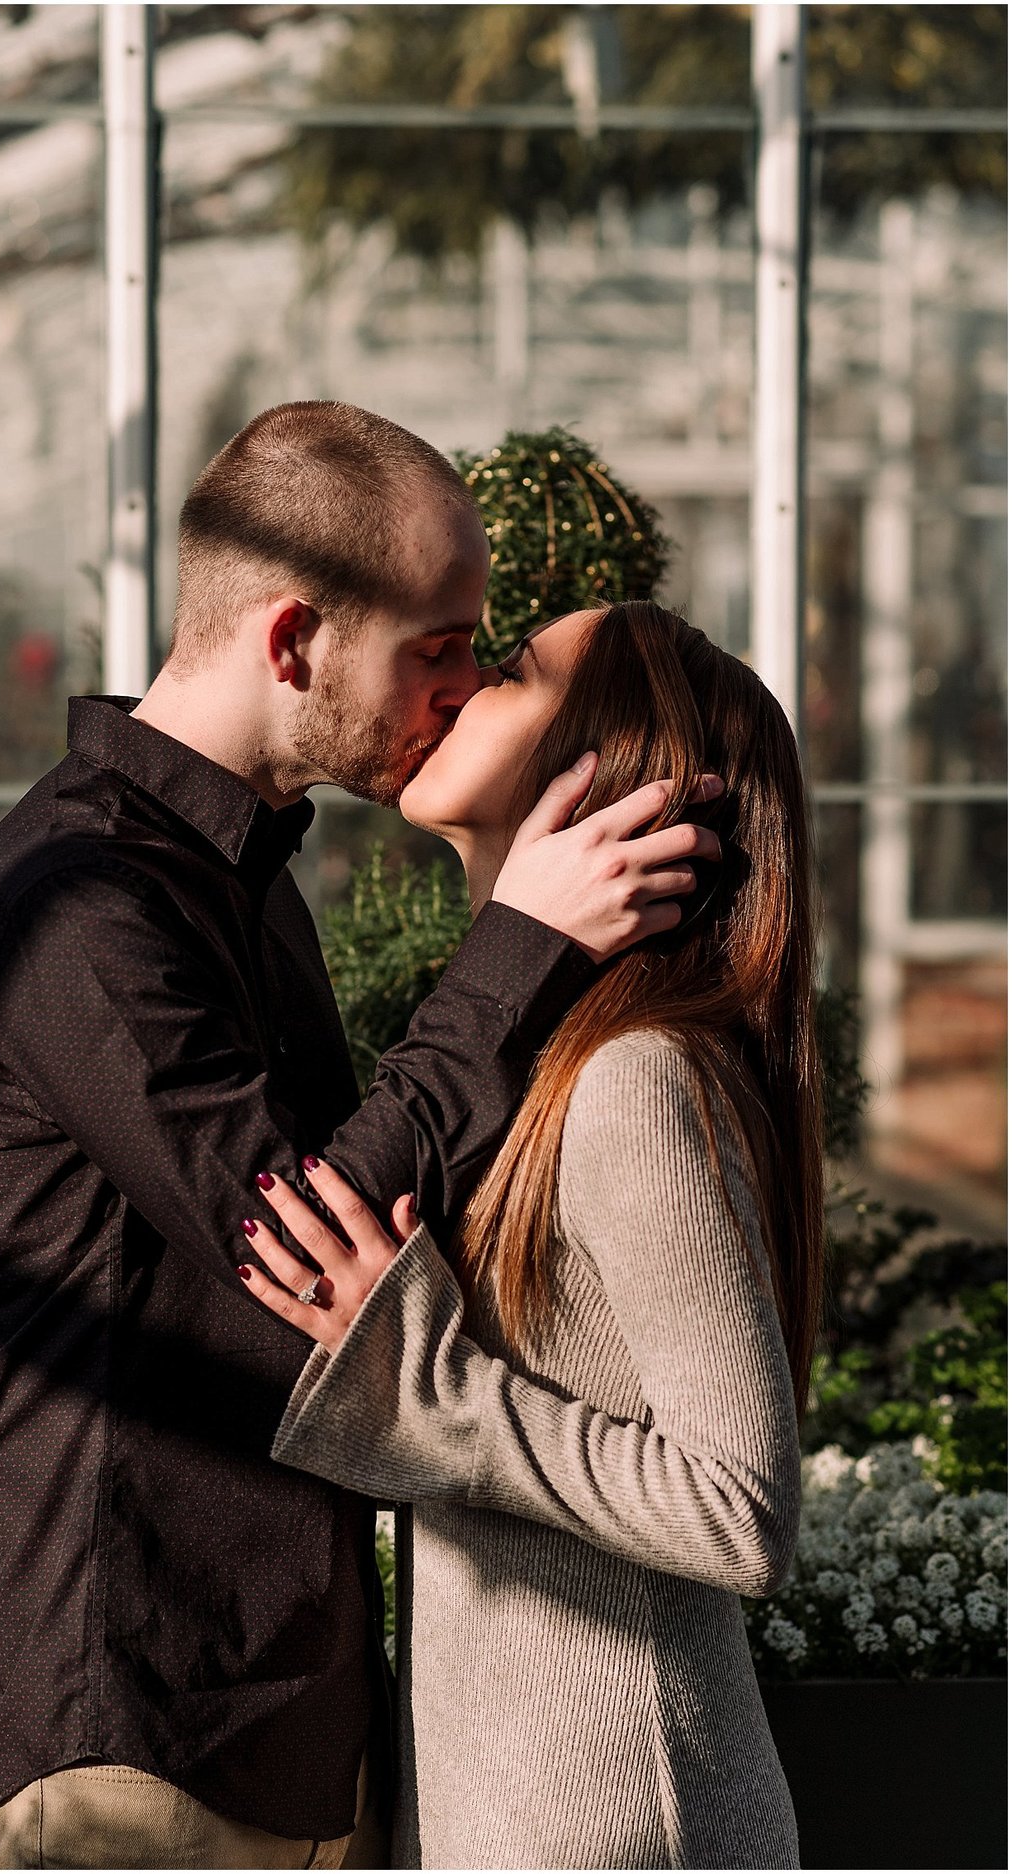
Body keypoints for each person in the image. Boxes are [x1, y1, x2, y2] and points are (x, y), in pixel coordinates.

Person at [0, 402, 723, 1869]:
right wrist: (521, 943)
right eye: (438, 645)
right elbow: (298, 1253)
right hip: (135, 1721)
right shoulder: (77, 899)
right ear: (294, 640)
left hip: (271, 1722)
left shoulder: (247, 883)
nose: (462, 686)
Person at [239, 601, 812, 1868]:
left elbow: (741, 1506)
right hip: (523, 1808)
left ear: (599, 762)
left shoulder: (637, 1077)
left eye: (501, 672)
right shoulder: (545, 1067)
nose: (449, 690)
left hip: (620, 1821)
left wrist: (417, 1379)